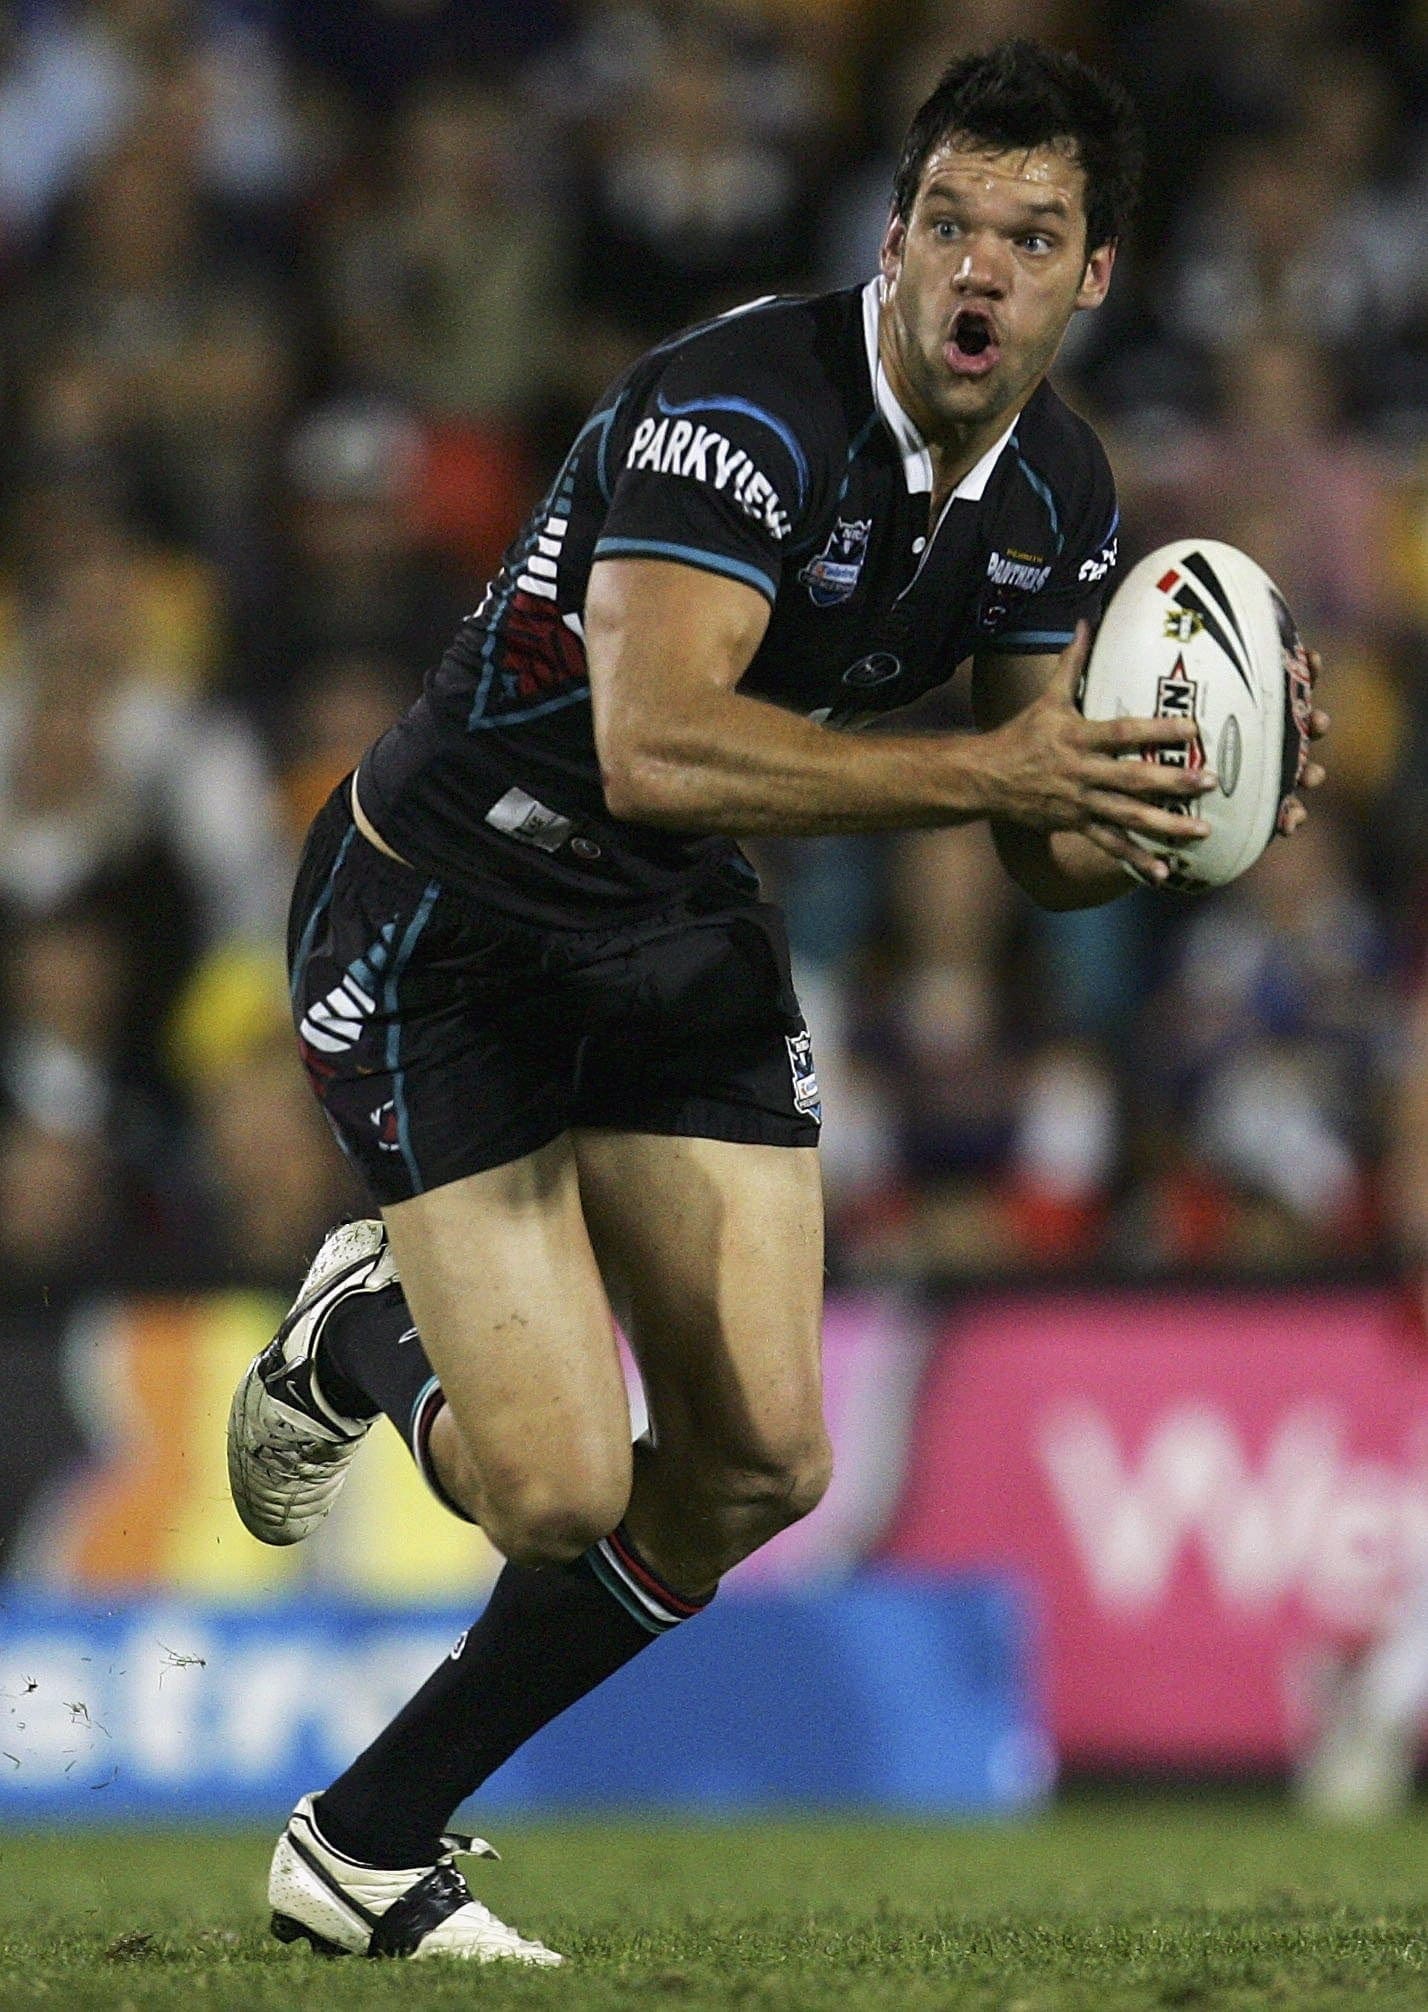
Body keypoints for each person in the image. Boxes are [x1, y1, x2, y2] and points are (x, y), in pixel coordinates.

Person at [228, 39, 1326, 1964]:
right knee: (555, 1490)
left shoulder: (1058, 487)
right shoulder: (739, 412)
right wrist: (1000, 771)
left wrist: (1173, 804)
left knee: (758, 1467)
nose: (980, 268)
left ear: (1096, 275)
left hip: (670, 929)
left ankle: (364, 1843)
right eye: (950, 222)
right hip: (451, 915)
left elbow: (1037, 838)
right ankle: (360, 1328)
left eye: (1032, 237)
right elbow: (653, 745)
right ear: (892, 238)